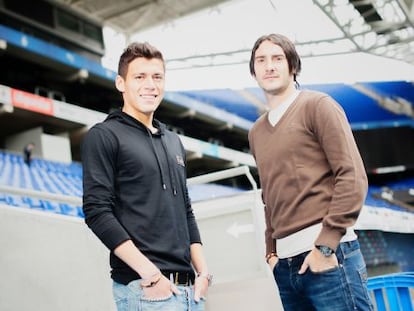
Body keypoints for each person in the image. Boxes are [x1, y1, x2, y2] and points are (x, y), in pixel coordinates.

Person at [248, 34, 374, 311]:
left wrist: (325, 246)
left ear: (292, 66)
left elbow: (352, 176)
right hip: (285, 266)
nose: (269, 66)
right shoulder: (256, 131)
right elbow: (269, 195)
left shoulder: (318, 105)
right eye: (261, 60)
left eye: (277, 58)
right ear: (254, 71)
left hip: (329, 258)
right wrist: (272, 251)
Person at [82, 42, 211, 311]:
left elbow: (186, 211)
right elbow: (96, 211)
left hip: (191, 292)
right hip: (147, 291)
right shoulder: (104, 136)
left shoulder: (174, 141)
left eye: (157, 77)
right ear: (121, 83)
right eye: (139, 77)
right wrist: (151, 275)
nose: (150, 85)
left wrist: (203, 273)